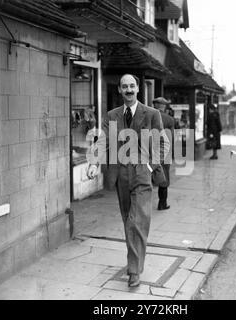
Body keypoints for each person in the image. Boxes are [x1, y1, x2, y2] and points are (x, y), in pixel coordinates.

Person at [87, 74, 169, 287]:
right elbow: (102, 140)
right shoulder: (112, 116)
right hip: (121, 176)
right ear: (120, 91)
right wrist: (94, 162)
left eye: (132, 86)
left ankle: (134, 270)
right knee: (128, 220)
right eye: (125, 87)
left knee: (137, 221)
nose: (129, 90)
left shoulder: (152, 114)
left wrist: (150, 167)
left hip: (142, 173)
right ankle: (135, 259)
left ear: (138, 89)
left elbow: (163, 144)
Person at [152, 97, 175, 211]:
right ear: (163, 106)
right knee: (164, 177)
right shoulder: (169, 119)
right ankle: (162, 203)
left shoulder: (147, 117)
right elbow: (171, 138)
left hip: (150, 153)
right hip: (164, 153)